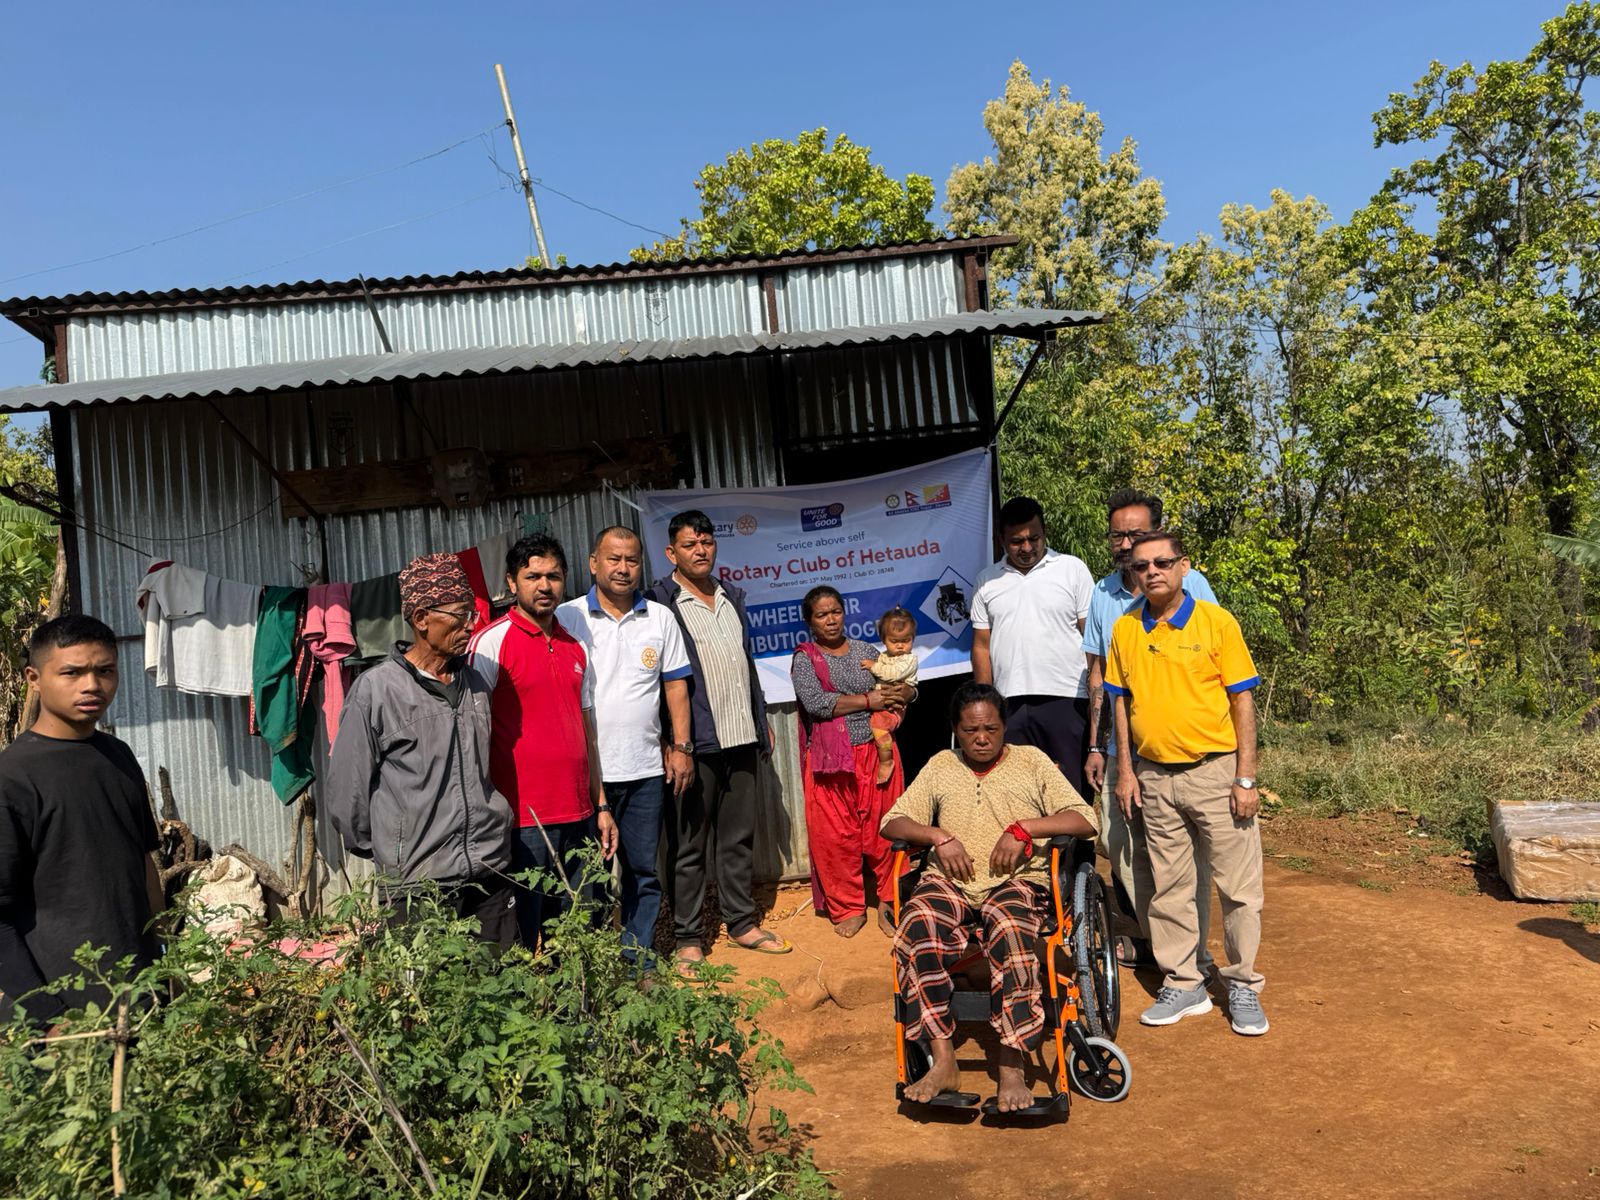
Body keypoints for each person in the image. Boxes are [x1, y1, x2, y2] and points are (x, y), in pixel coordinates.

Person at [881, 683, 1098, 1113]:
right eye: (971, 730)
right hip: (950, 883)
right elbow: (892, 822)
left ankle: (1012, 1064)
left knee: (1010, 927)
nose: (982, 738)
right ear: (956, 731)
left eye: (991, 728)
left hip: (1016, 882)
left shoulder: (1032, 762)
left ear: (1004, 727)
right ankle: (943, 1060)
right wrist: (936, 836)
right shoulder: (942, 765)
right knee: (918, 924)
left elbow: (1085, 818)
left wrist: (1025, 829)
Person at [1104, 532, 1268, 1036]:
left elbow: (1242, 701)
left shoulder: (1217, 623)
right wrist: (1127, 772)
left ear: (1183, 566)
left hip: (1215, 773)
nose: (1151, 571)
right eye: (1141, 566)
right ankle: (1185, 982)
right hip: (1153, 776)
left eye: (1162, 563)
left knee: (1238, 888)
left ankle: (1242, 984)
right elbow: (1119, 703)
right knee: (1169, 888)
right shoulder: (1125, 628)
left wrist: (1246, 777)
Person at [326, 554, 517, 950]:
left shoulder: (477, 684)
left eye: (471, 612)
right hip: (418, 884)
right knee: (429, 1003)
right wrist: (392, 847)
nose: (471, 624)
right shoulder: (376, 691)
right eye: (459, 614)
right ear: (421, 618)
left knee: (499, 996)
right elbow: (348, 795)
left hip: (489, 873)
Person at [0, 616, 164, 1026]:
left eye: (104, 671)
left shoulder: (118, 756)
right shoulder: (13, 778)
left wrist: (167, 959)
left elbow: (144, 863)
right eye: (71, 672)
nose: (92, 685)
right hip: (69, 1016)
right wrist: (49, 1018)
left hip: (140, 994)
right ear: (34, 678)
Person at [647, 510, 790, 974]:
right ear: (672, 552)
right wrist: (674, 742)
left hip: (741, 735)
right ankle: (689, 938)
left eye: (706, 543)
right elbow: (658, 681)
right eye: (690, 545)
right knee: (689, 843)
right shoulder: (660, 604)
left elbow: (743, 662)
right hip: (696, 743)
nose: (700, 551)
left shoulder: (732, 597)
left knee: (737, 838)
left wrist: (758, 712)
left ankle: (742, 923)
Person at [1083, 488, 1218, 970]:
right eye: (1118, 534)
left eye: (1136, 533)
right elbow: (1099, 676)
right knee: (1121, 845)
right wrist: (1098, 745)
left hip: (1187, 748)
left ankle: (1190, 955)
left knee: (1185, 853)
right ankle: (1162, 944)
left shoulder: (1194, 583)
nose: (1126, 543)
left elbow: (1220, 663)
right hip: (1124, 746)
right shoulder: (1102, 594)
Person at [468, 535, 617, 949]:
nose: (544, 585)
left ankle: (575, 1013)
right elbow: (472, 735)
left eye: (553, 575)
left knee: (575, 932)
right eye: (532, 576)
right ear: (512, 583)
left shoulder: (576, 645)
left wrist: (601, 804)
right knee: (519, 938)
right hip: (520, 823)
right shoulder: (489, 645)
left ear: (565, 579)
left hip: (580, 815)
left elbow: (588, 732)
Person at [557, 526, 694, 968]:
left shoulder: (659, 618)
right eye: (613, 559)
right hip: (585, 773)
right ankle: (593, 967)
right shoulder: (566, 618)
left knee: (643, 873)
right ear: (593, 563)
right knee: (588, 876)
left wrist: (682, 746)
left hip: (644, 771)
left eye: (631, 560)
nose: (622, 568)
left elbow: (675, 686)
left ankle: (639, 961)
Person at [790, 587, 916, 938]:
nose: (830, 619)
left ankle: (891, 898)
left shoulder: (865, 651)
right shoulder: (806, 659)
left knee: (886, 828)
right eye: (821, 614)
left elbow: (896, 684)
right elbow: (816, 703)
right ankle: (847, 906)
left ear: (845, 613)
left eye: (835, 611)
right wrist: (868, 699)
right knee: (836, 834)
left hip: (875, 755)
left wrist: (905, 694)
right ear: (810, 622)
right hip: (832, 760)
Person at [970, 496, 1097, 797]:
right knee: (1017, 793)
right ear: (1001, 539)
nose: (1027, 548)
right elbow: (981, 647)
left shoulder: (1072, 569)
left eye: (1034, 538)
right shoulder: (986, 581)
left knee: (1069, 793)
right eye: (1017, 541)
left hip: (1067, 699)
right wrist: (987, 702)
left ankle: (1076, 848)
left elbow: (1092, 639)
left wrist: (1097, 698)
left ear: (1045, 532)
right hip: (1008, 703)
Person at [863, 606, 919, 787]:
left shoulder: (908, 659)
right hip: (883, 703)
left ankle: (887, 761)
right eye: (894, 641)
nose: (901, 646)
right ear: (883, 639)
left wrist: (873, 666)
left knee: (878, 727)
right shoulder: (883, 656)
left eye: (906, 640)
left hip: (894, 706)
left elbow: (893, 674)